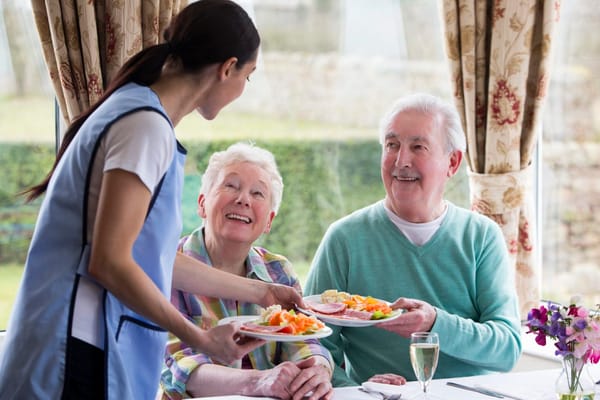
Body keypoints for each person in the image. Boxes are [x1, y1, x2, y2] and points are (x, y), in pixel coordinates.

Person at [0, 2, 302, 399]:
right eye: (249, 75)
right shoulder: (144, 127)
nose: (244, 87)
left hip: (82, 346)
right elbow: (109, 262)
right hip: (72, 352)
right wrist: (201, 337)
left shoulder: (138, 113)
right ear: (227, 68)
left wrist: (261, 293)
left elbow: (152, 256)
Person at [304, 93, 522, 387]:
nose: (401, 160)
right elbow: (311, 343)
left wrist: (435, 323)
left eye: (418, 147)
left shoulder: (481, 237)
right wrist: (357, 388)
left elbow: (507, 349)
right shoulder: (344, 238)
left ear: (452, 162)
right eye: (392, 145)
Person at [159, 142, 334, 400]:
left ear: (269, 222)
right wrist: (258, 381)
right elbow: (178, 368)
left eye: (258, 194)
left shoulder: (278, 271)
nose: (243, 200)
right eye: (230, 186)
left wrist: (319, 369)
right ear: (202, 204)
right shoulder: (169, 266)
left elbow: (305, 340)